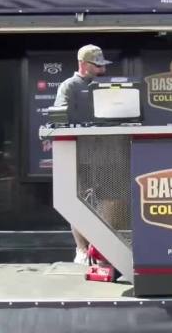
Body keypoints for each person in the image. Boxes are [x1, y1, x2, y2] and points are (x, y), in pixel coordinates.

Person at [54, 44, 112, 264]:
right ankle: (81, 249)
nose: (102, 70)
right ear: (83, 64)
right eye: (97, 66)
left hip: (106, 153)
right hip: (79, 153)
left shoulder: (106, 85)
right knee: (81, 202)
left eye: (103, 66)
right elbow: (59, 116)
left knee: (107, 200)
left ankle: (103, 248)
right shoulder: (69, 86)